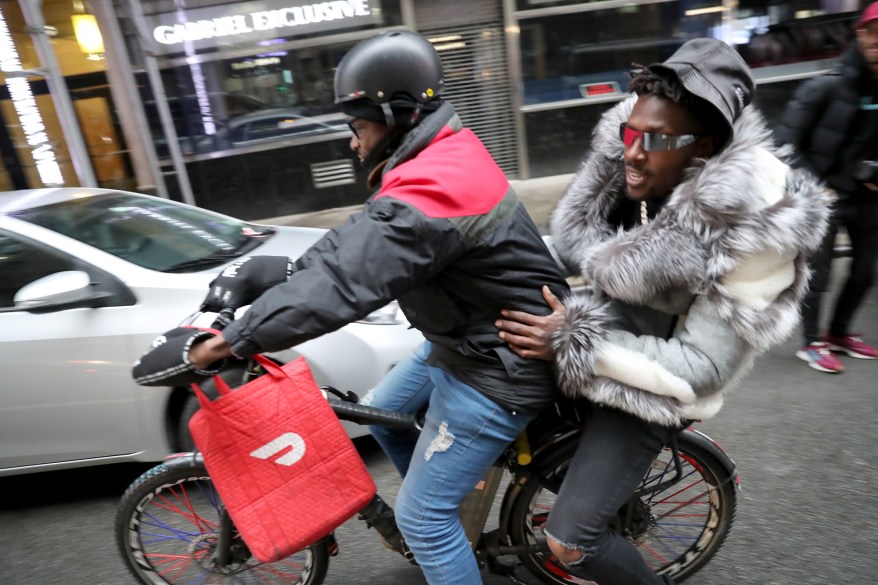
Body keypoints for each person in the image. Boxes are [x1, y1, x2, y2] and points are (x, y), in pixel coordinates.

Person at [133, 30, 569, 585]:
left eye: (358, 126)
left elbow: (348, 279)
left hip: (501, 366)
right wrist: (285, 272)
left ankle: (440, 527)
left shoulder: (433, 187)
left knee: (422, 518)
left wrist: (226, 343)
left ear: (398, 115)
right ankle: (458, 513)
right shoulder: (438, 154)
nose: (352, 142)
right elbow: (361, 243)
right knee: (386, 410)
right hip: (469, 341)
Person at [494, 38, 830, 584]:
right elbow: (568, 247)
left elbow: (701, 368)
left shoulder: (756, 224)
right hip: (601, 335)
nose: (632, 150)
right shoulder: (625, 162)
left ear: (707, 148)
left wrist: (574, 340)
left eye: (657, 139)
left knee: (569, 539)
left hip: (650, 390)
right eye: (632, 131)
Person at [774, 1, 878, 373]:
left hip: (864, 196)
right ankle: (812, 342)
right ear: (861, 34)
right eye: (874, 32)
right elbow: (784, 145)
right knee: (817, 277)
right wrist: (816, 189)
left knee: (866, 272)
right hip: (823, 195)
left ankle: (838, 333)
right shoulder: (825, 87)